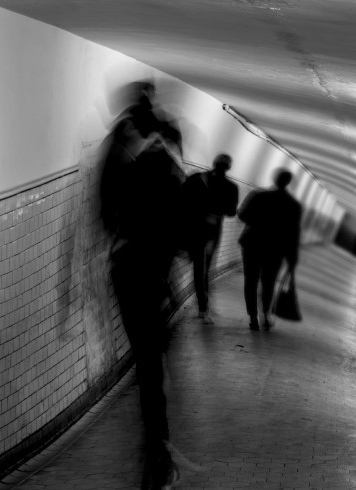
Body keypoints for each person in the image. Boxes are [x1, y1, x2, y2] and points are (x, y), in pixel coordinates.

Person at [98, 81, 184, 490]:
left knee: (145, 356)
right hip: (152, 268)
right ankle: (158, 450)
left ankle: (156, 449)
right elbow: (179, 220)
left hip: (126, 264)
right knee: (150, 361)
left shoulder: (116, 146)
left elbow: (103, 209)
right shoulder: (168, 152)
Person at [238, 169, 302, 330]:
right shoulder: (294, 206)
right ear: (288, 183)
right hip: (276, 249)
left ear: (275, 179)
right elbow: (294, 234)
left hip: (253, 244)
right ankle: (266, 314)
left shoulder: (258, 196)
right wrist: (292, 258)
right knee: (269, 282)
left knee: (250, 280)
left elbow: (243, 215)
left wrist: (258, 222)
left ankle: (253, 317)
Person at [182, 154, 239, 324]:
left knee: (199, 266)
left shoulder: (197, 178)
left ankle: (203, 305)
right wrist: (215, 210)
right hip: (212, 231)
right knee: (204, 267)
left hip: (193, 228)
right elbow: (231, 212)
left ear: (214, 163)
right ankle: (203, 306)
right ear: (228, 168)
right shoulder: (231, 187)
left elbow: (183, 198)